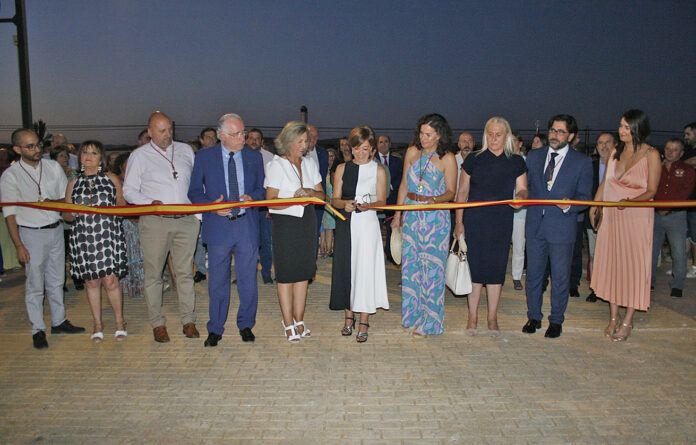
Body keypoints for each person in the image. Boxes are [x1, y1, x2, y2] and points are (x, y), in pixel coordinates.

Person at [0, 128, 85, 349]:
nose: (36, 149)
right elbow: (9, 214)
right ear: (17, 149)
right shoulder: (10, 175)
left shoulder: (53, 166)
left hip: (55, 229)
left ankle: (59, 321)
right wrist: (18, 244)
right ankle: (37, 328)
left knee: (57, 280)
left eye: (38, 144)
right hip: (31, 233)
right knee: (35, 284)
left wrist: (52, 202)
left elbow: (63, 199)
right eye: (30, 146)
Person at [188, 113, 265, 347]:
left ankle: (246, 325)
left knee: (247, 281)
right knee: (217, 281)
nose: (243, 137)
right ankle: (216, 328)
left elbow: (263, 190)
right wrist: (211, 207)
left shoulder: (254, 157)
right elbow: (193, 192)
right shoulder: (204, 157)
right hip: (218, 227)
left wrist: (253, 197)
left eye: (243, 132)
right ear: (221, 136)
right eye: (236, 134)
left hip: (246, 226)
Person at [123, 111, 200, 343]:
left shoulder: (186, 151)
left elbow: (196, 184)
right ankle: (157, 323)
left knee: (185, 273)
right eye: (161, 130)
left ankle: (189, 320)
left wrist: (197, 214)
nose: (167, 135)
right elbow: (129, 190)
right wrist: (150, 203)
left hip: (186, 221)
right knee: (154, 274)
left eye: (169, 130)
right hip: (155, 222)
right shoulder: (139, 156)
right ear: (150, 132)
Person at [590, 110, 661, 341]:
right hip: (612, 215)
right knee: (613, 264)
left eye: (627, 127)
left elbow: (652, 190)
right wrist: (595, 205)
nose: (622, 131)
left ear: (638, 128)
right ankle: (612, 317)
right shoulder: (614, 152)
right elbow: (605, 182)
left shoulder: (651, 154)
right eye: (620, 126)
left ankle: (628, 319)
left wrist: (629, 202)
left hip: (636, 217)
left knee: (633, 266)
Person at [454, 118, 527, 336]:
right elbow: (462, 194)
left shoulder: (516, 161)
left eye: (499, 134)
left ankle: (492, 317)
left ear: (507, 136)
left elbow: (523, 189)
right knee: (474, 271)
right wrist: (459, 223)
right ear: (485, 135)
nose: (494, 138)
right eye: (491, 134)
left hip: (501, 222)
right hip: (475, 222)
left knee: (496, 271)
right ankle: (472, 316)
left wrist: (521, 198)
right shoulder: (474, 160)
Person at [523, 114, 593, 339]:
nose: (554, 135)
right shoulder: (533, 156)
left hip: (562, 227)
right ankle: (533, 316)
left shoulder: (581, 162)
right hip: (535, 225)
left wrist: (568, 206)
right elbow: (527, 188)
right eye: (552, 130)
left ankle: (556, 320)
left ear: (571, 136)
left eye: (560, 131)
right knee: (533, 275)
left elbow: (584, 197)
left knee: (560, 277)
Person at [392, 113, 458, 336]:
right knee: (411, 268)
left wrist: (433, 200)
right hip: (411, 214)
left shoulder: (448, 158)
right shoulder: (412, 152)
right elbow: (403, 184)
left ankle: (431, 322)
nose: (424, 138)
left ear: (439, 135)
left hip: (435, 220)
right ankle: (412, 315)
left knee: (432, 271)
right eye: (421, 133)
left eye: (428, 134)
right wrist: (398, 215)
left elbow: (451, 192)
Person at [63, 140, 128, 342]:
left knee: (110, 280)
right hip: (83, 237)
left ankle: (119, 322)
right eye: (85, 153)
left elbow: (122, 206)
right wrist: (72, 213)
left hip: (108, 235)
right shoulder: (73, 183)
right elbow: (66, 215)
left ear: (102, 157)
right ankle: (97, 324)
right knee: (91, 282)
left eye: (93, 153)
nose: (88, 157)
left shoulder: (111, 179)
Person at [265, 121, 323, 342]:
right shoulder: (276, 165)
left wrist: (309, 192)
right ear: (287, 142)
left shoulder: (309, 164)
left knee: (303, 273)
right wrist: (293, 199)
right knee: (287, 274)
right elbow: (270, 201)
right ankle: (287, 322)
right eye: (299, 141)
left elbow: (322, 196)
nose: (304, 145)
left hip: (307, 221)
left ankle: (299, 319)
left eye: (306, 141)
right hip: (286, 223)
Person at [330, 126, 389, 342]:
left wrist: (369, 205)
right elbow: (334, 199)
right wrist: (344, 203)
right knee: (347, 268)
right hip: (346, 224)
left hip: (368, 225)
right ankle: (348, 316)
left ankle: (364, 319)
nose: (360, 152)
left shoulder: (379, 170)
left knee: (364, 270)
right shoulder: (342, 169)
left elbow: (382, 203)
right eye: (356, 148)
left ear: (372, 149)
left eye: (365, 148)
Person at [650, 138, 694, 298]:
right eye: (668, 148)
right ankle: (649, 282)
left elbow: (685, 192)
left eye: (674, 149)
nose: (670, 152)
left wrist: (667, 208)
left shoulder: (688, 170)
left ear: (681, 153)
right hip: (654, 215)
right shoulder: (655, 167)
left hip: (676, 216)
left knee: (678, 251)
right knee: (651, 251)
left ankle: (677, 285)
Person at [585, 132, 616, 302]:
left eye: (607, 143)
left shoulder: (621, 166)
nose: (603, 146)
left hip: (616, 218)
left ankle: (611, 288)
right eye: (600, 143)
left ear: (615, 145)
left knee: (613, 255)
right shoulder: (590, 165)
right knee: (594, 253)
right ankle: (595, 288)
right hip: (594, 216)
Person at [113, 152, 145, 299]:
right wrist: (130, 216)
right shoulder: (116, 182)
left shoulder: (142, 180)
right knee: (130, 256)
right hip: (126, 224)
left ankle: (142, 285)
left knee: (143, 256)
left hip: (142, 221)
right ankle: (129, 286)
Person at [247, 128, 275, 283]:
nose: (253, 141)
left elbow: (272, 185)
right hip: (246, 207)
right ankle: (246, 275)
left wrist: (270, 208)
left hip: (264, 208)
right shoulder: (240, 156)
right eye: (250, 138)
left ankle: (266, 274)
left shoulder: (270, 158)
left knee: (266, 242)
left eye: (257, 138)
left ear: (262, 141)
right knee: (247, 243)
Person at [376, 134, 403, 263]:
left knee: (391, 228)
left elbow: (402, 179)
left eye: (386, 141)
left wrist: (389, 186)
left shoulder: (397, 161)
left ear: (390, 144)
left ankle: (391, 253)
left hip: (392, 199)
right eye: (380, 142)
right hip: (376, 199)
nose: (383, 144)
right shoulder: (372, 160)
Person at [510, 132, 528, 291]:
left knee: (518, 245)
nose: (511, 143)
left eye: (514, 140)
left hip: (520, 212)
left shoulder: (526, 162)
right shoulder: (503, 160)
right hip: (501, 211)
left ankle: (516, 276)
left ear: (520, 143)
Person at [306, 124, 329, 238]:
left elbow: (323, 177)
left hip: (318, 200)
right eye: (310, 136)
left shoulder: (323, 153)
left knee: (315, 233)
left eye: (315, 137)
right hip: (302, 200)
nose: (312, 140)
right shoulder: (297, 154)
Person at [320, 148, 338, 258]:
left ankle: (329, 249)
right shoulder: (322, 170)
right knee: (323, 226)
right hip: (323, 200)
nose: (330, 158)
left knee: (330, 226)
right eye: (328, 156)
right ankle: (323, 248)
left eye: (332, 156)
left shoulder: (336, 170)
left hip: (332, 201)